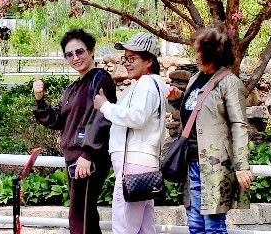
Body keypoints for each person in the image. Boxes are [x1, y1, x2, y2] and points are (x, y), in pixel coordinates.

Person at [33, 29, 117, 234]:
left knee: (81, 216)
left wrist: (88, 153)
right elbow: (55, 120)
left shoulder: (100, 79)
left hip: (88, 159)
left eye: (80, 52)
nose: (75, 58)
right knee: (81, 215)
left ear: (92, 51)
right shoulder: (73, 87)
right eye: (69, 54)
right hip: (74, 159)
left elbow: (103, 118)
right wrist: (39, 98)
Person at [175, 26, 253, 234]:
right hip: (192, 163)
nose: (196, 56)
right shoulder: (195, 79)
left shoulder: (229, 82)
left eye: (200, 51)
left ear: (214, 53)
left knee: (213, 226)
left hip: (215, 165)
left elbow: (239, 125)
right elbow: (196, 115)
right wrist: (176, 100)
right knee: (195, 225)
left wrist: (242, 164)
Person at [93, 33, 168, 234]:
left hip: (133, 165)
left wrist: (105, 107)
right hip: (144, 163)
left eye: (132, 58)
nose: (127, 63)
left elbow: (136, 117)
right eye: (126, 58)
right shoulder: (155, 84)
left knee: (123, 227)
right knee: (144, 228)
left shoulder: (145, 84)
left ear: (149, 60)